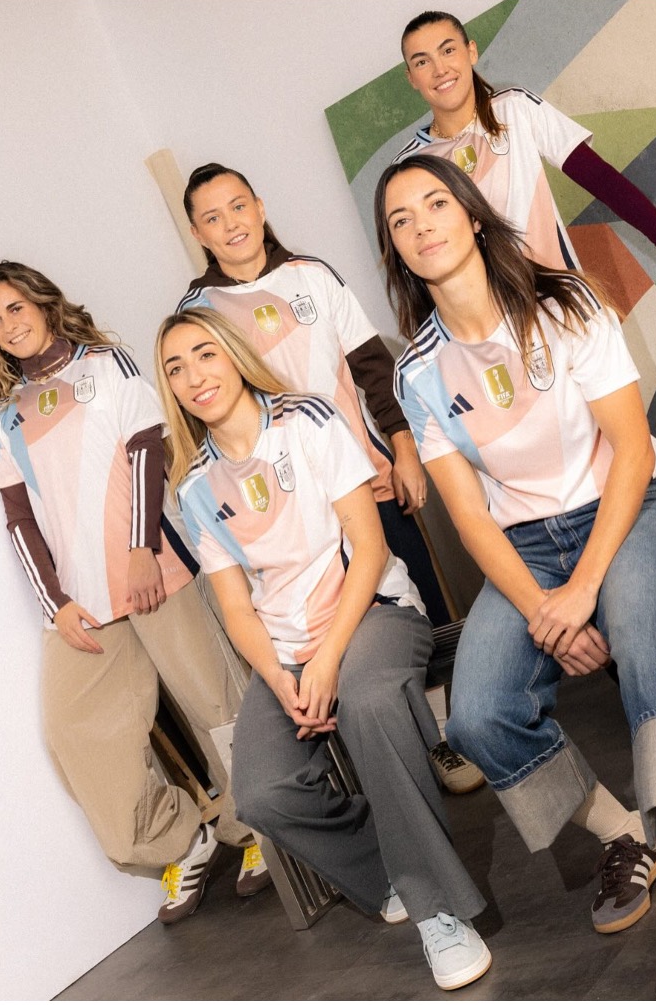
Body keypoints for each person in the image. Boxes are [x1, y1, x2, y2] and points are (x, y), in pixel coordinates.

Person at [378, 154, 656, 1000]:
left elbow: (625, 446)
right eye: (400, 218)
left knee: (650, 663)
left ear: (470, 215)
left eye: (436, 202)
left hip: (627, 510)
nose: (422, 222)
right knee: (478, 714)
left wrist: (585, 593)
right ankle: (625, 835)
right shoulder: (417, 370)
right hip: (526, 550)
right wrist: (549, 606)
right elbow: (467, 514)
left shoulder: (564, 303)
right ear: (395, 251)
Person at [156, 306, 491, 991]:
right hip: (287, 651)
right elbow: (235, 608)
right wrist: (284, 682)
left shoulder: (305, 419)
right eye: (175, 368)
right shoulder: (195, 486)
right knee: (262, 792)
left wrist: (328, 661)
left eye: (203, 355)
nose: (194, 376)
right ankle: (390, 863)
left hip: (373, 612)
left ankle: (440, 910)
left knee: (368, 702)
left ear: (231, 354)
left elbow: (369, 546)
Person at [0, 261, 266, 924]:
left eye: (16, 307)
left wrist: (139, 550)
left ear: (44, 302)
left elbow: (146, 453)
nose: (9, 325)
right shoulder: (2, 415)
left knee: (216, 702)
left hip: (153, 571)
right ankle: (182, 838)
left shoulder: (108, 365)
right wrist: (56, 604)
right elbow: (17, 517)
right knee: (71, 729)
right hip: (83, 605)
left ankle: (259, 830)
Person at [173, 162, 483, 797]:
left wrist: (401, 444)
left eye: (238, 207)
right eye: (212, 217)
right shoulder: (198, 313)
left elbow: (370, 363)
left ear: (259, 206)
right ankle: (410, 747)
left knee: (415, 600)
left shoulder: (312, 275)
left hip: (364, 478)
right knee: (347, 627)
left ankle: (455, 733)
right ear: (199, 233)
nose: (230, 224)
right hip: (291, 508)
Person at [394, 10, 656, 279]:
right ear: (411, 78)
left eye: (448, 50)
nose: (440, 69)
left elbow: (601, 179)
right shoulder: (412, 165)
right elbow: (420, 264)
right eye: (422, 62)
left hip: (567, 304)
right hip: (493, 333)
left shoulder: (515, 108)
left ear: (471, 52)